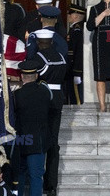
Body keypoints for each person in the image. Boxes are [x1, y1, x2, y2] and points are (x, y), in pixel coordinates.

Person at [31, 29, 67, 196]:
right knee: (53, 142)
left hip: (43, 98)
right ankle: (51, 185)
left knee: (40, 139)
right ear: (51, 42)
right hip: (58, 98)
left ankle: (36, 179)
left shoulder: (39, 58)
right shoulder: (61, 57)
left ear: (39, 43)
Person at [14, 60, 51, 196]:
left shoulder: (17, 95)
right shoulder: (45, 92)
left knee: (20, 175)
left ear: (22, 77)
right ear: (36, 76)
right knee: (36, 177)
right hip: (38, 140)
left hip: (22, 139)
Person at [65, 4, 86, 105]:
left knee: (77, 99)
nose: (68, 16)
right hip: (71, 67)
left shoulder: (77, 29)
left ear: (76, 16)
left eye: (70, 14)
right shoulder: (74, 28)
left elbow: (78, 51)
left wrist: (77, 72)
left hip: (75, 68)